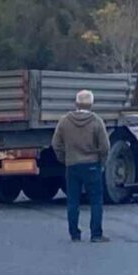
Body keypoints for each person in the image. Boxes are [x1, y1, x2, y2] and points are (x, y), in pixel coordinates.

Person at [51, 89, 111, 243]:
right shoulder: (96, 121)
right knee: (96, 201)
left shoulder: (65, 121)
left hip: (72, 165)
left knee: (73, 201)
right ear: (91, 104)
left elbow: (56, 143)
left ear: (76, 103)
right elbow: (105, 146)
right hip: (92, 165)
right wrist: (101, 163)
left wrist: (64, 159)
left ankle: (74, 234)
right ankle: (96, 234)